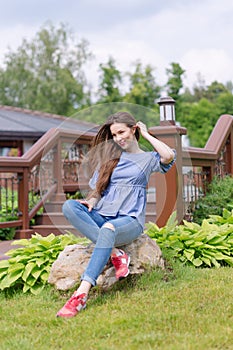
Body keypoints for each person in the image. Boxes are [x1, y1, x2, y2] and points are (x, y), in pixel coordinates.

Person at [56, 111, 176, 318]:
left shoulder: (148, 159)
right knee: (70, 207)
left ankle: (81, 294)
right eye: (114, 135)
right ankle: (115, 253)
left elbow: (169, 156)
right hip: (104, 215)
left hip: (129, 221)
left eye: (121, 132)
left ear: (133, 129)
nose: (118, 138)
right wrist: (91, 202)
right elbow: (98, 191)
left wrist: (146, 134)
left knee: (108, 229)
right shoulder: (111, 159)